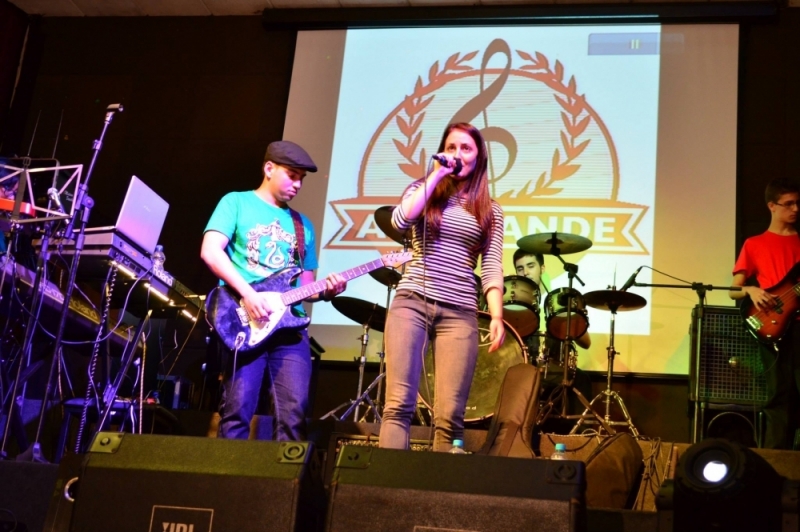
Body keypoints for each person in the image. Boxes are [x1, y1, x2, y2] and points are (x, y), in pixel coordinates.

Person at [201, 140, 347, 441]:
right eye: (292, 175)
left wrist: (329, 291)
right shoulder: (236, 203)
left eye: (301, 179)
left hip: (289, 330)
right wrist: (248, 294)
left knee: (294, 416)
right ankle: (226, 484)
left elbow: (306, 288)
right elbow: (210, 251)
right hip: (245, 321)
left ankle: (284, 486)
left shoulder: (302, 225)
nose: (297, 185)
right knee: (237, 410)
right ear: (269, 168)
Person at [379, 122, 505, 451]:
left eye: (466, 148)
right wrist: (435, 176)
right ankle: (383, 496)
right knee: (398, 406)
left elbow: (491, 265)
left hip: (460, 311)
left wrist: (495, 315)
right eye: (451, 147)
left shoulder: (490, 210)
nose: (457, 154)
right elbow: (399, 220)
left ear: (479, 158)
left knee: (450, 418)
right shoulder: (422, 190)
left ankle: (434, 500)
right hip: (412, 301)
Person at [730, 178, 800, 449]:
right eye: (788, 203)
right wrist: (750, 289)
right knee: (778, 396)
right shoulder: (754, 244)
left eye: (798, 203)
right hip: (772, 326)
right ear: (772, 206)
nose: (795, 208)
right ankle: (777, 461)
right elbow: (732, 291)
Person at [512, 249, 593, 417]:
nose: (525, 272)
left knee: (582, 379)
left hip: (554, 368)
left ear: (542, 268)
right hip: (522, 364)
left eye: (530, 266)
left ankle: (575, 433)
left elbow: (586, 343)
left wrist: (571, 319)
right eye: (520, 268)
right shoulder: (511, 305)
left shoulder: (558, 302)